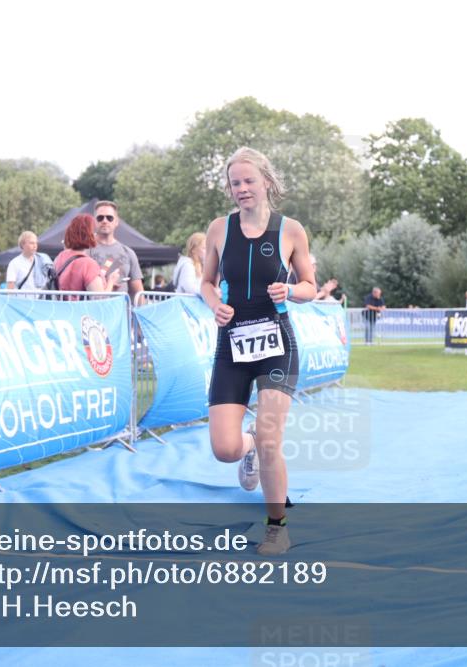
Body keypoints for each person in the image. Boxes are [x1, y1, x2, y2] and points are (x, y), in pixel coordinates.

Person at [201, 147, 316, 556]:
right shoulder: (219, 229)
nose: (242, 188)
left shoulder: (291, 230)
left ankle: (276, 528)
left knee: (271, 439)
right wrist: (215, 304)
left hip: (276, 345)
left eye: (249, 180)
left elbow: (310, 286)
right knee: (225, 449)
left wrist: (291, 291)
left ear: (266, 181)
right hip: (231, 345)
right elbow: (206, 282)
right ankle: (247, 444)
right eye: (235, 183)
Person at [88, 201, 144, 302]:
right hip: (93, 310)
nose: (104, 221)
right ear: (94, 221)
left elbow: (138, 292)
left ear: (116, 222)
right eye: (100, 218)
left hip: (121, 310)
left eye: (109, 218)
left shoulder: (128, 253)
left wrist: (140, 311)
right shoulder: (86, 251)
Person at [53, 214, 121, 294]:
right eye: (94, 232)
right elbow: (100, 297)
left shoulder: (60, 257)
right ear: (89, 235)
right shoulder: (88, 264)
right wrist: (111, 281)